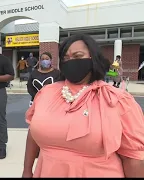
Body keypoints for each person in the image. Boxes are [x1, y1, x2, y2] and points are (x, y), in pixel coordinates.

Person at [23, 33, 144, 178]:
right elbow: (33, 132)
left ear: (93, 59)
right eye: (66, 58)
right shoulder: (46, 93)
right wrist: (27, 170)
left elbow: (134, 158)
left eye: (78, 56)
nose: (71, 61)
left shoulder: (118, 100)